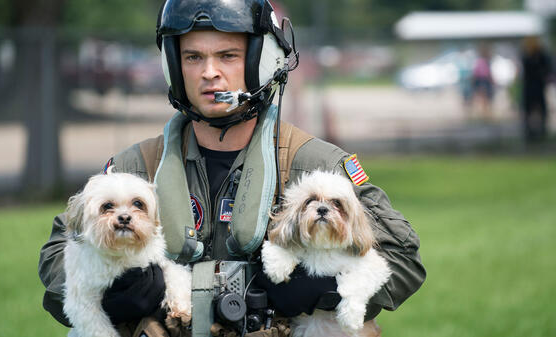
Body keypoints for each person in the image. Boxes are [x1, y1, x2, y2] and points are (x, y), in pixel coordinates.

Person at [38, 1, 425, 336]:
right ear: (175, 66)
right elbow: (58, 252)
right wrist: (108, 290)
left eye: (227, 56)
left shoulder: (315, 165)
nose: (209, 72)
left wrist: (324, 287)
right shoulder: (134, 169)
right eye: (193, 57)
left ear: (262, 60)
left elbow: (402, 255)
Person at [521, 36, 552, 144]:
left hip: (538, 86)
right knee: (528, 109)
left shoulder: (541, 56)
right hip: (530, 86)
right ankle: (529, 132)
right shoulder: (526, 56)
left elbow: (547, 68)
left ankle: (542, 130)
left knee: (541, 108)